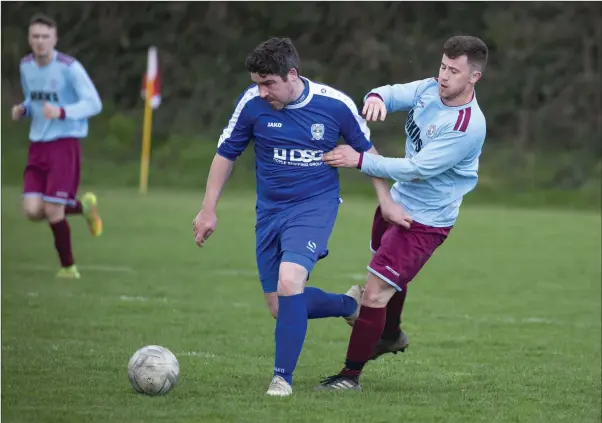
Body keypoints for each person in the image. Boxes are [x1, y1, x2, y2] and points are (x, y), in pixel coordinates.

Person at [192, 37, 412, 397]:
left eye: (268, 83)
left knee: (290, 280)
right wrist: (208, 208)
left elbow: (366, 151)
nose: (261, 92)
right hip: (269, 212)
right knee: (281, 306)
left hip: (315, 206)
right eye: (257, 83)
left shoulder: (334, 105)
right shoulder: (252, 105)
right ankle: (349, 304)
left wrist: (385, 200)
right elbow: (225, 154)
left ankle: (282, 379)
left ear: (291, 75)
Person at [316, 35, 489, 391]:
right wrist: (377, 97)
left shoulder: (467, 126)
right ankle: (390, 335)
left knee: (376, 291)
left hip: (425, 220)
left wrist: (360, 159)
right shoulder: (429, 89)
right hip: (396, 201)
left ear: (473, 77)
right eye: (442, 66)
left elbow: (417, 168)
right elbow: (392, 93)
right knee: (390, 280)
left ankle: (349, 378)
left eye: (454, 71)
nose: (443, 76)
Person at [13, 14, 103, 279]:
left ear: (55, 39)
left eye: (45, 36)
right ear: (29, 39)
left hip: (64, 144)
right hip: (37, 145)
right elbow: (35, 100)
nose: (40, 42)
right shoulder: (26, 66)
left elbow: (94, 104)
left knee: (52, 209)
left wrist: (63, 112)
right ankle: (82, 208)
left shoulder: (69, 67)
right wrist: (24, 109)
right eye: (35, 37)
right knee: (32, 211)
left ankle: (68, 268)